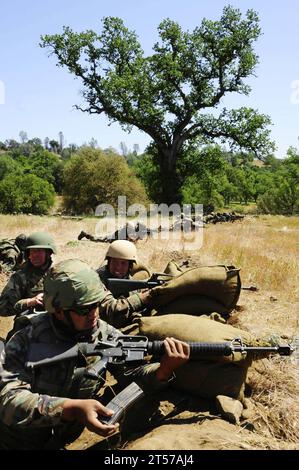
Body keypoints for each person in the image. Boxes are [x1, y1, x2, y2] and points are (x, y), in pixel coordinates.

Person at [0, 259, 189, 450]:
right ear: (58, 310)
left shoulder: (107, 335)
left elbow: (132, 377)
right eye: (84, 309)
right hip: (15, 443)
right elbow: (8, 401)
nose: (94, 314)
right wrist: (70, 409)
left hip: (60, 442)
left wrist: (163, 370)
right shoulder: (26, 339)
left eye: (96, 304)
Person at [0, 231, 57, 320]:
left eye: (38, 251)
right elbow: (2, 308)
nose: (33, 255)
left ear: (48, 253)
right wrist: (30, 302)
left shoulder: (60, 273)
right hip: (29, 326)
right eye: (31, 252)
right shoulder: (21, 277)